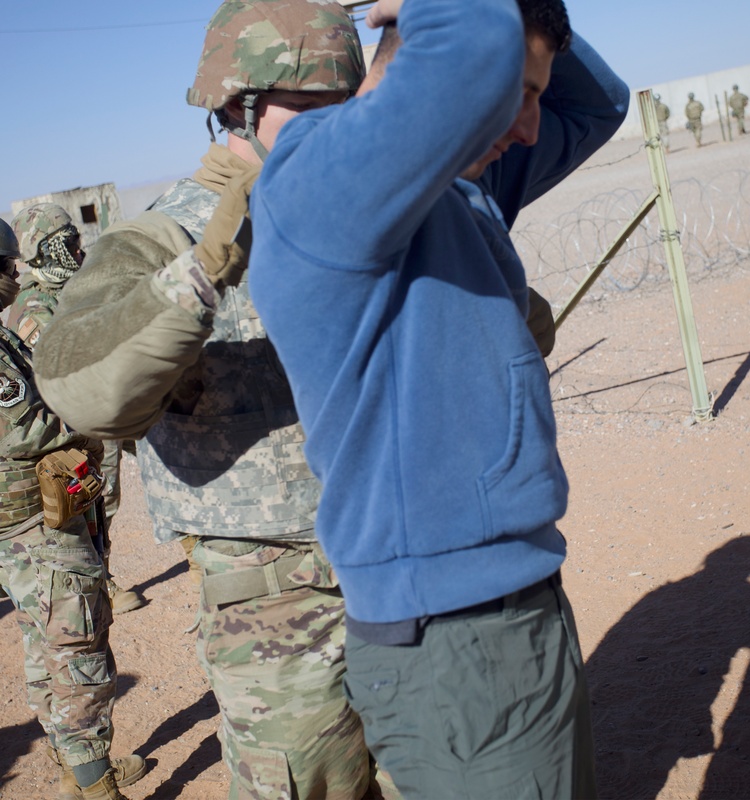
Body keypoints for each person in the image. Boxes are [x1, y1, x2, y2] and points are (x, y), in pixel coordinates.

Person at [249, 0, 629, 796]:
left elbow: (599, 104)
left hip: (514, 611)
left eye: (532, 93)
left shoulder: (462, 184)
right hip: (451, 640)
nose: (528, 127)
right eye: (514, 92)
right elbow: (475, 41)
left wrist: (519, 28)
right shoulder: (325, 190)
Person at [33, 2, 395, 798]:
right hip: (279, 619)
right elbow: (79, 386)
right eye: (313, 103)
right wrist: (204, 270)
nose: (340, 123)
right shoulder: (163, 237)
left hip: (403, 572)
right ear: (238, 105)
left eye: (350, 101)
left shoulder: (363, 211)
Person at [0, 218, 146, 800]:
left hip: (23, 526)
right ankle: (95, 786)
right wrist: (93, 411)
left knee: (45, 646)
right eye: (5, 268)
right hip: (35, 527)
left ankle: (76, 765)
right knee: (78, 650)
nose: (15, 276)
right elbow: (22, 429)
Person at [9, 203, 145, 614]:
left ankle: (100, 577)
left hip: (97, 411)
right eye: (69, 244)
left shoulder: (72, 290)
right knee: (89, 502)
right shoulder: (37, 308)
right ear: (47, 251)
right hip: (67, 425)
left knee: (105, 499)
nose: (79, 251)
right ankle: (97, 581)